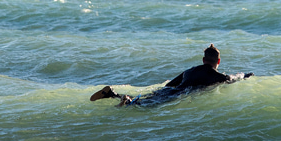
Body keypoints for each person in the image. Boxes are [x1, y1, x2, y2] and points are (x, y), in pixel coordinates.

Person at [90, 44, 253, 105]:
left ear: (203, 59)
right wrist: (245, 76)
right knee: (146, 107)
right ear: (218, 62)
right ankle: (125, 100)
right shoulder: (217, 76)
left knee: (145, 99)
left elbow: (169, 85)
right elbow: (233, 79)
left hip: (169, 91)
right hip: (177, 95)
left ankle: (113, 94)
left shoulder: (189, 71)